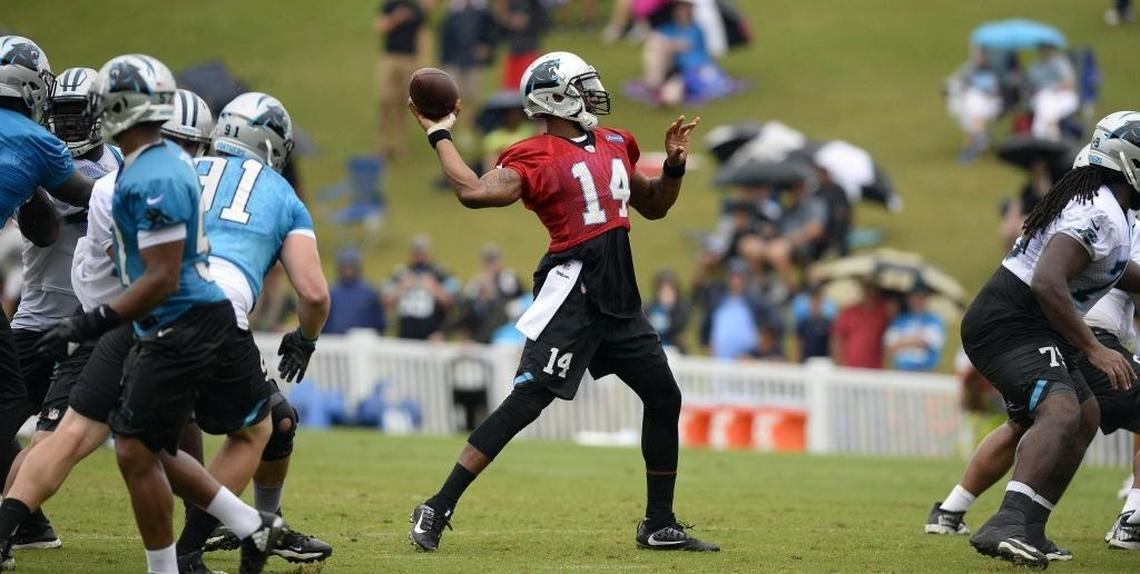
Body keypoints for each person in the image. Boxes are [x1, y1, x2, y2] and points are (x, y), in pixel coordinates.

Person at [406, 50, 718, 552]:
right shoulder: (534, 155)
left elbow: (655, 205)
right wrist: (439, 132)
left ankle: (659, 523)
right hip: (575, 294)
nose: (594, 93)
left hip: (619, 298)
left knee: (664, 397)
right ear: (556, 97)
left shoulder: (616, 142)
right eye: (583, 86)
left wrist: (675, 166)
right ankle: (437, 505)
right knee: (527, 401)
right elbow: (474, 192)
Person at [18, 54, 286, 574]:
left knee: (125, 441)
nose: (184, 154)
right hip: (113, 321)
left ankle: (212, 538)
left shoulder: (133, 175)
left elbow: (154, 268)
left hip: (139, 321)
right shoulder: (120, 175)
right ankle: (233, 531)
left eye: (189, 145)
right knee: (123, 442)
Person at [954, 114, 1140, 568]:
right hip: (1009, 323)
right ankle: (1006, 523)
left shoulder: (1108, 208)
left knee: (1085, 415)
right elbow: (1047, 281)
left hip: (1030, 323)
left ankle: (1030, 527)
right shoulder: (1101, 212)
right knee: (1061, 410)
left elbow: (1115, 271)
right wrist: (1094, 348)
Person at [168, 92, 334, 569]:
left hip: (141, 306)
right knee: (257, 429)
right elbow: (315, 294)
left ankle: (262, 526)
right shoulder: (281, 194)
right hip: (214, 312)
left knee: (271, 420)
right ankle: (191, 551)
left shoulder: (180, 168)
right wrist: (305, 339)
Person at [927, 220, 1140, 558]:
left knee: (1029, 424)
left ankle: (953, 510)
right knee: (1061, 414)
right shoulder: (1114, 219)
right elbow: (1116, 274)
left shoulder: (1099, 216)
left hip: (1055, 331)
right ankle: (1132, 519)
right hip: (1086, 337)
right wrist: (1095, 347)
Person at [0, 66, 122, 554]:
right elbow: (44, 230)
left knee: (53, 434)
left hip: (94, 323)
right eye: (61, 113)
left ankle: (202, 520)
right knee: (7, 417)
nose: (69, 124)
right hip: (37, 318)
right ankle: (29, 524)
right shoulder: (36, 154)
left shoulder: (118, 166)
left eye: (79, 113)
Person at [699, 259, 782, 360]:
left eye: (739, 277)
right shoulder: (718, 301)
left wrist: (761, 348)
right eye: (733, 276)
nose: (736, 281)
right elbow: (705, 328)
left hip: (748, 361)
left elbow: (776, 322)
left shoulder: (755, 302)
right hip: (719, 361)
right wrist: (707, 345)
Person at [375, 0, 427, 159]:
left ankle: (400, 145)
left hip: (409, 60)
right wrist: (395, 18)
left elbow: (422, 35)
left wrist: (422, 61)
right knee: (385, 100)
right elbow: (379, 27)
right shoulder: (390, 5)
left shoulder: (416, 8)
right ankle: (383, 144)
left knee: (404, 103)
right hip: (390, 58)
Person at [384, 235, 459, 340]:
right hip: (405, 333)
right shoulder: (401, 272)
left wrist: (435, 290)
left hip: (432, 335)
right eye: (416, 251)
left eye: (422, 251)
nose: (419, 255)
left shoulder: (440, 273)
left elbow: (453, 304)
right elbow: (385, 303)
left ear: (429, 252)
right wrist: (400, 289)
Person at [440, 0, 496, 136]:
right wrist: (444, 60)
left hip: (472, 62)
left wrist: (487, 47)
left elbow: (491, 31)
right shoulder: (452, 11)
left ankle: (468, 129)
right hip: (453, 60)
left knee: (472, 97)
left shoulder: (482, 11)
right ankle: (452, 128)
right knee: (452, 98)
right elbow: (445, 36)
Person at [455, 244, 524, 343]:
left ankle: (479, 340)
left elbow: (521, 298)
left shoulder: (508, 278)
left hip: (507, 319)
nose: (491, 265)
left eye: (493, 261)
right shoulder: (477, 282)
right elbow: (467, 303)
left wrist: (493, 294)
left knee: (501, 309)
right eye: (488, 261)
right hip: (483, 320)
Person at [946, 47, 1002, 163]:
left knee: (976, 107)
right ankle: (979, 139)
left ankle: (970, 147)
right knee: (973, 100)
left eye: (982, 56)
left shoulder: (995, 70)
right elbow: (958, 84)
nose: (980, 59)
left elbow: (999, 90)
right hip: (973, 105)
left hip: (992, 103)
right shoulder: (969, 70)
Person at [323, 248, 387, 335]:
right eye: (345, 267)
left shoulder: (369, 292)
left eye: (350, 267)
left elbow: (379, 321)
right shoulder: (331, 292)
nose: (348, 271)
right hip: (334, 339)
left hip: (362, 340)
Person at [883, 284, 945, 372]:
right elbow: (889, 346)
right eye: (914, 296)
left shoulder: (934, 319)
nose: (917, 300)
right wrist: (918, 338)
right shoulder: (900, 319)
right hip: (902, 371)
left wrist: (902, 340)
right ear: (908, 298)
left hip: (925, 371)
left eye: (921, 296)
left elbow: (932, 341)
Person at [829, 280, 890, 369]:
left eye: (873, 291)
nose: (870, 294)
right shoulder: (849, 312)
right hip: (850, 366)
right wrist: (838, 361)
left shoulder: (883, 313)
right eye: (867, 290)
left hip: (875, 368)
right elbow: (837, 337)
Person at [1027, 43, 1078, 141]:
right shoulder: (1035, 67)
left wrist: (1056, 88)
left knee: (1045, 105)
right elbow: (1031, 86)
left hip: (1062, 96)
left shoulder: (1060, 63)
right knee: (1045, 99)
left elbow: (1070, 82)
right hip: (1043, 96)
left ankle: (1039, 135)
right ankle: (1051, 131)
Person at [494, 0, 547, 90]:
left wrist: (527, 20)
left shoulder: (534, 4)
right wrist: (504, 19)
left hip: (530, 52)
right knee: (510, 90)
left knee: (530, 88)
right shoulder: (509, 4)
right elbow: (499, 33)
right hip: (513, 54)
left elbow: (545, 24)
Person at [644, 269, 689, 351]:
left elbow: (678, 328)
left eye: (670, 289)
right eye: (663, 289)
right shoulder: (650, 308)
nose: (667, 292)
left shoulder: (679, 309)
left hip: (672, 348)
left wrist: (669, 308)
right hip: (652, 349)